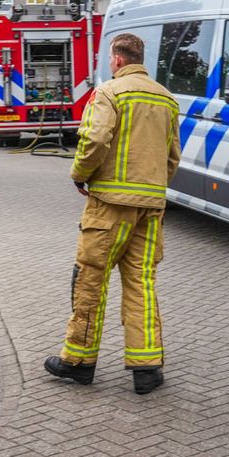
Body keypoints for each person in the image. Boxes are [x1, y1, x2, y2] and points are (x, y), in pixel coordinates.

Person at [44, 33, 180, 395]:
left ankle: (78, 361)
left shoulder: (109, 92)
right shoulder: (166, 98)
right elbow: (172, 157)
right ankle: (147, 367)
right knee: (141, 283)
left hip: (109, 206)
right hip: (151, 208)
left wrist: (80, 174)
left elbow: (95, 140)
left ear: (117, 59)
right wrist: (151, 188)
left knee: (91, 278)